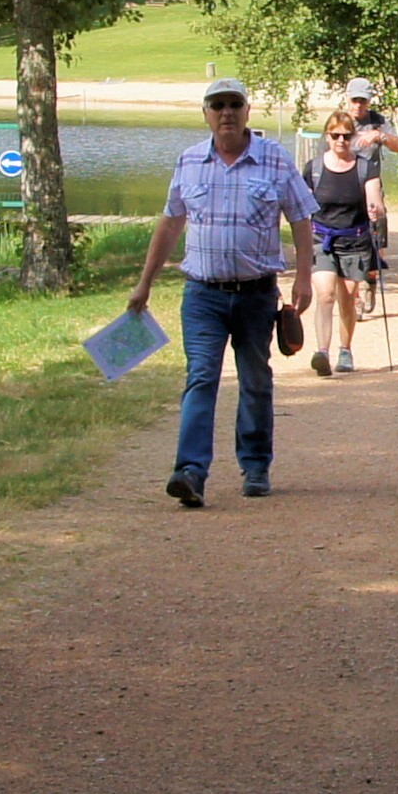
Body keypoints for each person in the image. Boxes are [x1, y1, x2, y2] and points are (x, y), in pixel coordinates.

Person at [128, 78, 317, 507]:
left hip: (255, 294)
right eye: (218, 105)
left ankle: (255, 465)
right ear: (206, 114)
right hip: (202, 295)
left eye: (235, 105)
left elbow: (302, 219)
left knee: (255, 380)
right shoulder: (190, 160)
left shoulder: (275, 159)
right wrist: (145, 282)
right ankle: (190, 472)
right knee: (201, 379)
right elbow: (171, 222)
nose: (227, 113)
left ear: (248, 111)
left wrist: (303, 278)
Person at [302, 112, 384, 375]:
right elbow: (302, 207)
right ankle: (322, 352)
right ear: (327, 136)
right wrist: (300, 243)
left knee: (347, 297)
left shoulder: (364, 166)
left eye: (346, 136)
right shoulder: (313, 168)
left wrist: (376, 209)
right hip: (321, 239)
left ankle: (345, 350)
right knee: (325, 293)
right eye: (335, 135)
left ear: (353, 137)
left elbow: (374, 196)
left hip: (355, 239)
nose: (340, 140)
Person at [343, 78, 398, 315]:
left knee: (376, 242)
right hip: (346, 190)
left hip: (373, 189)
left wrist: (379, 136)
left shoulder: (378, 121)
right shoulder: (339, 122)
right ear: (347, 98)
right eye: (354, 100)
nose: (358, 105)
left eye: (363, 100)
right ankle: (356, 297)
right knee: (350, 243)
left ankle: (370, 280)